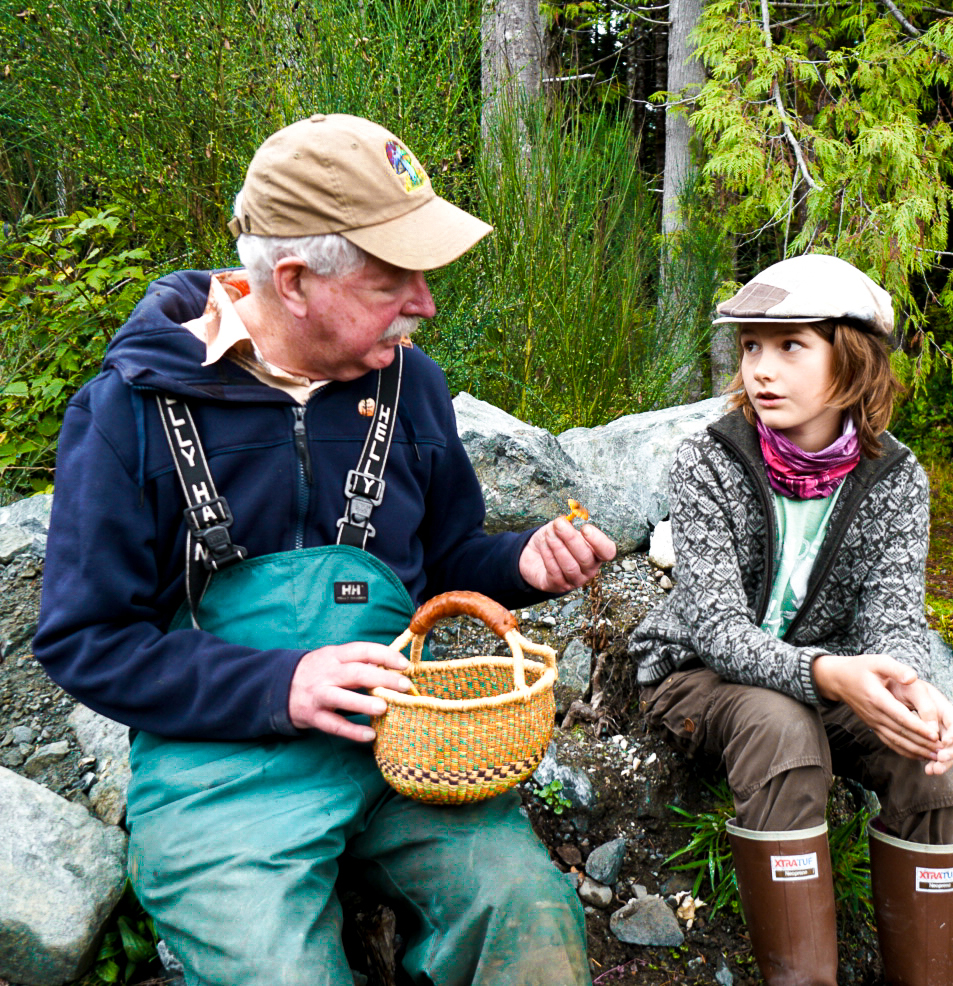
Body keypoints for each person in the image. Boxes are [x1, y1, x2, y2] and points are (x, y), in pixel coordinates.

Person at [33, 113, 616, 986]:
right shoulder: (129, 412)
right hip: (218, 769)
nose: (424, 301)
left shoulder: (410, 383)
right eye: (395, 280)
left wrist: (520, 564)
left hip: (407, 753)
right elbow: (85, 642)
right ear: (298, 281)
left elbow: (447, 553)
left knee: (528, 918)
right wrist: (283, 685)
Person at [629, 254, 953, 986]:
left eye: (789, 345)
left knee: (933, 761)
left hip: (825, 677)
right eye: (750, 347)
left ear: (853, 358)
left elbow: (894, 618)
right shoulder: (707, 459)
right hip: (701, 676)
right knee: (783, 726)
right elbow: (715, 629)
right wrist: (826, 673)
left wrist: (915, 687)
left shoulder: (897, 477)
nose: (760, 370)